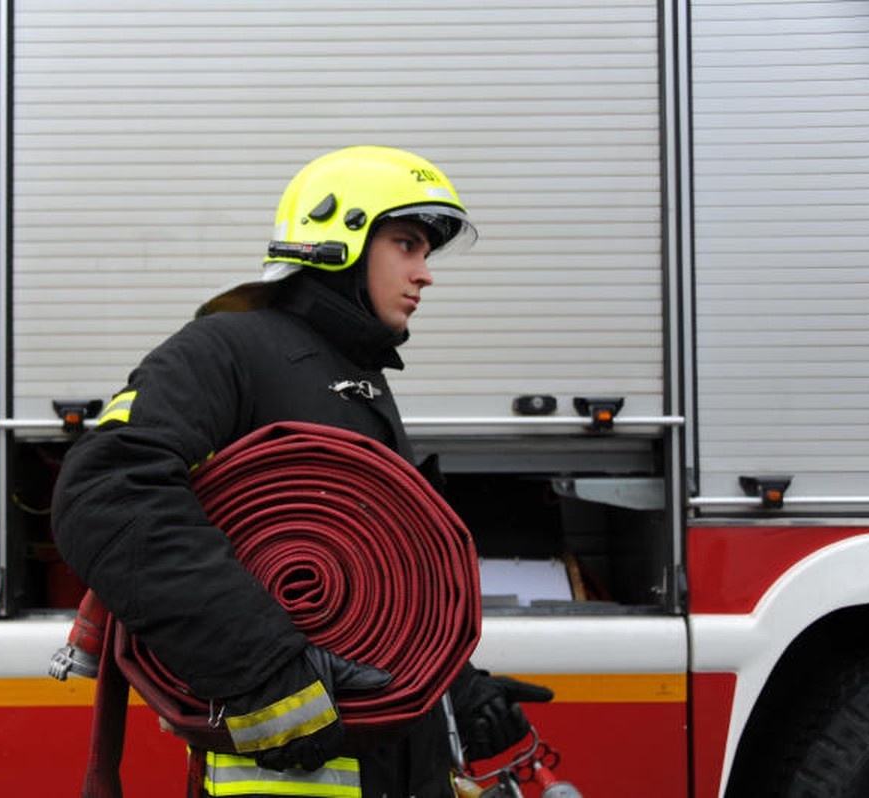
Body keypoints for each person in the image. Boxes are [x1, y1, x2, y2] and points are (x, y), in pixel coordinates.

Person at [52, 145, 553, 798]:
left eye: (426, 253)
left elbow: (368, 589)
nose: (425, 274)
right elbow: (105, 492)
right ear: (339, 238)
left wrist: (454, 687)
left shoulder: (358, 382)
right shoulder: (227, 350)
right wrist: (265, 665)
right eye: (407, 245)